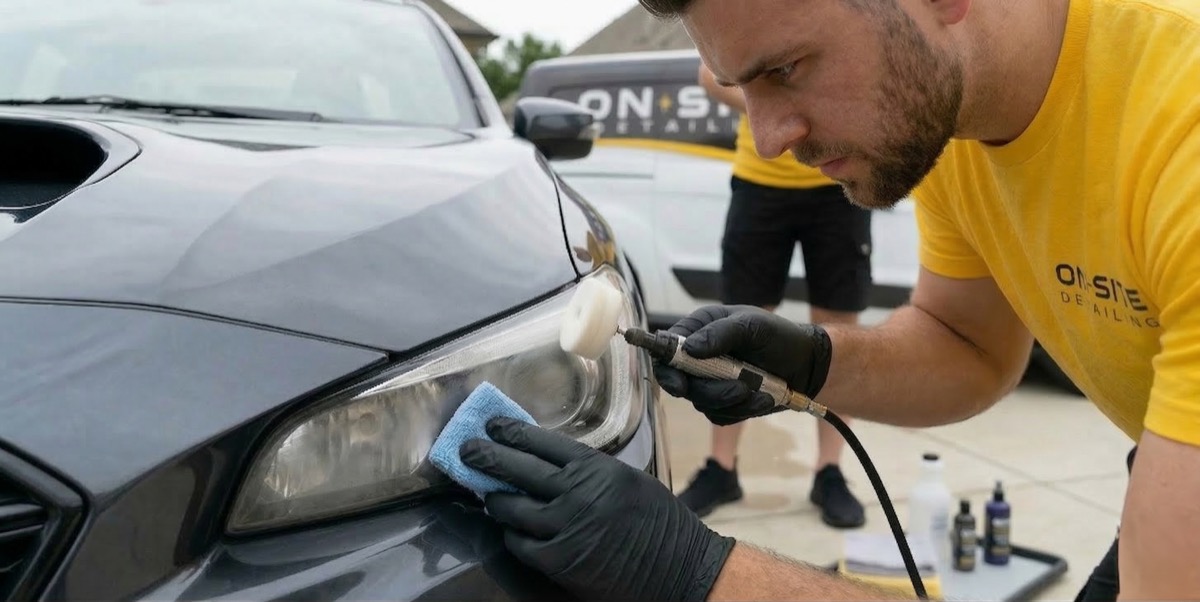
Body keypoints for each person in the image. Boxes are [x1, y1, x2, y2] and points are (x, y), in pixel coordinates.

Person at [459, 0, 1200, 600]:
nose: (771, 138)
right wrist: (809, 362)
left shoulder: (1179, 117)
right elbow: (969, 347)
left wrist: (689, 573)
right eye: (744, 87)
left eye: (785, 69)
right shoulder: (954, 111)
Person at [673, 61, 871, 528]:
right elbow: (709, 74)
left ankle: (829, 471)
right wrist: (787, 107)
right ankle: (722, 468)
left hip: (839, 181)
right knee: (735, 331)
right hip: (759, 183)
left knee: (839, 333)